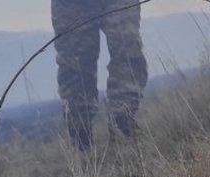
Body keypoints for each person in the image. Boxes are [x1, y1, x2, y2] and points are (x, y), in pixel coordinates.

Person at [52, 0, 148, 150]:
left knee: (128, 51)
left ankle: (123, 123)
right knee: (75, 68)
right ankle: (81, 142)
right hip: (70, 5)